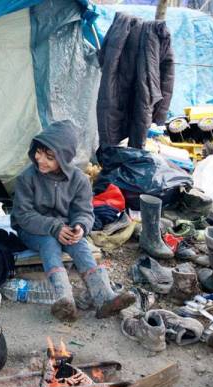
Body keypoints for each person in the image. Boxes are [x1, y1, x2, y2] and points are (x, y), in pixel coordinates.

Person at [11, 120, 137, 321]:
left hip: (65, 228)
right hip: (33, 229)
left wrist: (80, 226)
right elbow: (23, 215)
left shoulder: (79, 180)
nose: (40, 159)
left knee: (80, 244)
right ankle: (64, 299)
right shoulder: (27, 178)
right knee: (49, 242)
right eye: (39, 152)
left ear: (63, 158)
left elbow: (85, 212)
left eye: (49, 157)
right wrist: (54, 227)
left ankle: (104, 296)